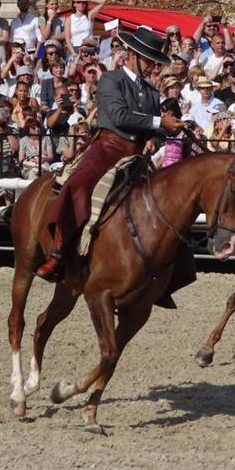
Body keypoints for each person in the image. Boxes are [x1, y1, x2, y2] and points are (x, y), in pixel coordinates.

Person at [37, 26, 181, 280]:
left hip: (138, 155)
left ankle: (169, 274)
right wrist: (159, 124)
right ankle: (58, 252)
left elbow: (156, 129)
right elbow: (119, 116)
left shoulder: (151, 91)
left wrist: (155, 141)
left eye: (156, 62)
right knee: (78, 184)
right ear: (133, 55)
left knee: (168, 203)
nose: (153, 67)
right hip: (108, 147)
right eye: (150, 61)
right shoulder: (110, 79)